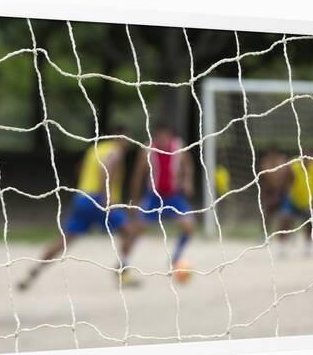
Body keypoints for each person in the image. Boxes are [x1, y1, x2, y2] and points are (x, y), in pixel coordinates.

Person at [17, 129, 140, 291]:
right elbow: (107, 169)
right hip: (99, 199)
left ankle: (34, 272)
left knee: (66, 239)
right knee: (129, 231)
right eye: (127, 139)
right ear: (119, 137)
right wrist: (107, 196)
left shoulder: (94, 149)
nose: (128, 143)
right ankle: (122, 271)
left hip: (82, 198)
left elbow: (79, 168)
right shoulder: (115, 151)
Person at [130, 124, 195, 271]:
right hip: (154, 196)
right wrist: (134, 198)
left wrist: (187, 181)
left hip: (174, 196)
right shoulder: (147, 150)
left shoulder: (179, 146)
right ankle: (124, 262)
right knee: (137, 228)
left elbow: (188, 164)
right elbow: (138, 175)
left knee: (189, 226)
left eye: (165, 136)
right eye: (159, 136)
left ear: (170, 136)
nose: (162, 140)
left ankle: (176, 259)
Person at [278, 157, 313, 257]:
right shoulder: (293, 168)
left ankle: (307, 245)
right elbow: (285, 183)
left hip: (307, 201)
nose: (306, 161)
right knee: (285, 219)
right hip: (292, 199)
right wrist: (281, 196)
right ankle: (282, 246)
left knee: (311, 221)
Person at [259, 144, 291, 233]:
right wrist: (265, 196)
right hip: (270, 192)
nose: (271, 155)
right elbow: (263, 180)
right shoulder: (265, 162)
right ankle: (264, 235)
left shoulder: (283, 161)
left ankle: (285, 237)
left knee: (286, 214)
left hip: (283, 192)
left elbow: (288, 178)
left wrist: (280, 193)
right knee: (267, 214)